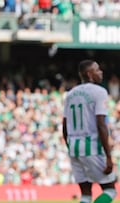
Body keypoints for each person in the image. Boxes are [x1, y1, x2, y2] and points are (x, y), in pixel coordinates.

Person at [62, 59, 117, 203]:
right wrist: (109, 157)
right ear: (89, 74)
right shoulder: (99, 92)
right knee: (110, 190)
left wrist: (71, 147)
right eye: (97, 69)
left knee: (86, 194)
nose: (101, 72)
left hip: (74, 147)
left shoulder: (70, 94)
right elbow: (101, 124)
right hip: (91, 146)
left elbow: (64, 125)